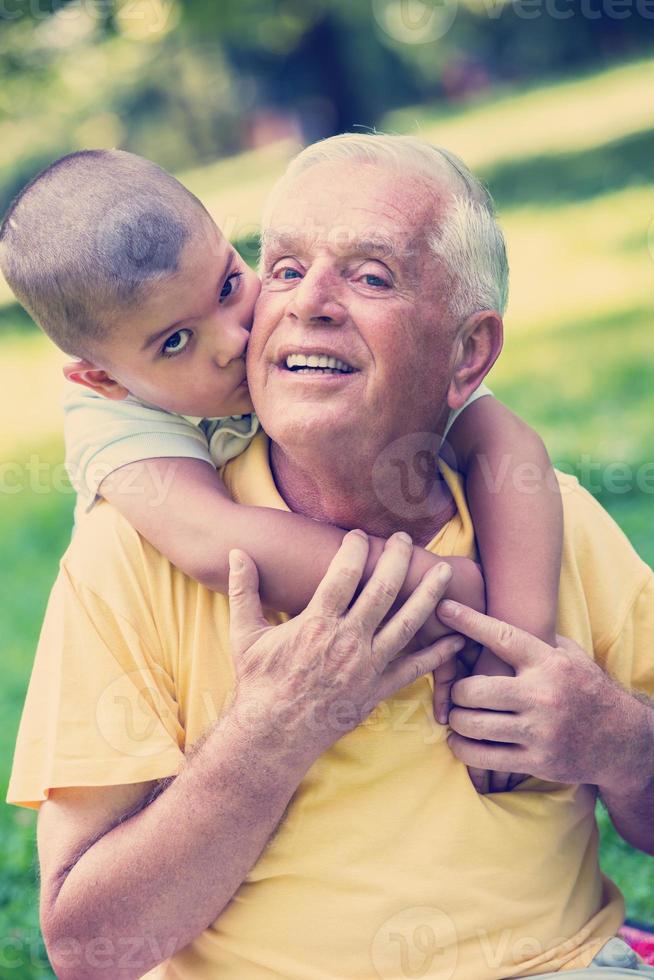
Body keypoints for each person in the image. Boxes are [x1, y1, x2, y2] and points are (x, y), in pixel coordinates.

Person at [6, 133, 654, 979]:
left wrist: (619, 743)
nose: (305, 302)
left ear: (466, 354)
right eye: (285, 268)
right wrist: (273, 734)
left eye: (371, 274)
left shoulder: (543, 516)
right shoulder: (130, 547)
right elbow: (86, 950)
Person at [0, 148, 562, 788]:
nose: (233, 341)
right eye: (176, 342)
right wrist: (448, 592)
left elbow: (504, 442)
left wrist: (515, 649)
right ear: (101, 377)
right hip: (196, 713)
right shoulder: (112, 424)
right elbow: (218, 543)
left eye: (227, 286)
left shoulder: (294, 336)